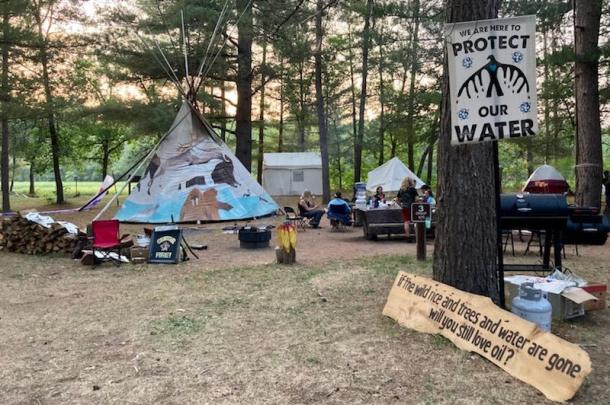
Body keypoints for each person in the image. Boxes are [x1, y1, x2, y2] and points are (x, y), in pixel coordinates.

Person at [396, 177, 418, 241]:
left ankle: (408, 237)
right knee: (415, 222)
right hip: (412, 207)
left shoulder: (401, 190)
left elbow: (397, 200)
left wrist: (401, 205)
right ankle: (417, 236)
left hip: (404, 207)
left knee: (406, 222)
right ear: (410, 182)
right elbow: (417, 199)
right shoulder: (413, 189)